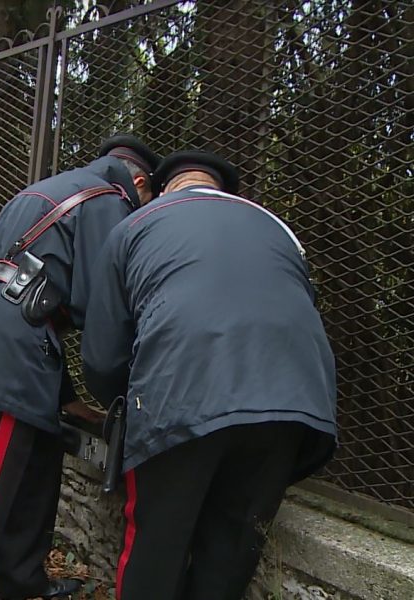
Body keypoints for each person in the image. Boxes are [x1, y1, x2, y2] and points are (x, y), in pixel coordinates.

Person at [80, 150, 337, 600]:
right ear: (225, 194)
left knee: (154, 552)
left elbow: (103, 354)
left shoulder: (136, 224)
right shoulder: (275, 227)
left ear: (162, 189)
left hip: (178, 392)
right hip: (292, 401)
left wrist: (125, 407)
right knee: (229, 554)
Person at [0, 135, 161, 600]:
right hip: (15, 343)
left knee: (38, 462)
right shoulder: (109, 199)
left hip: (5, 331)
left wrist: (64, 397)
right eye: (148, 200)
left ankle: (23, 583)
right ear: (140, 181)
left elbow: (38, 282)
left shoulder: (55, 186)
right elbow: (95, 306)